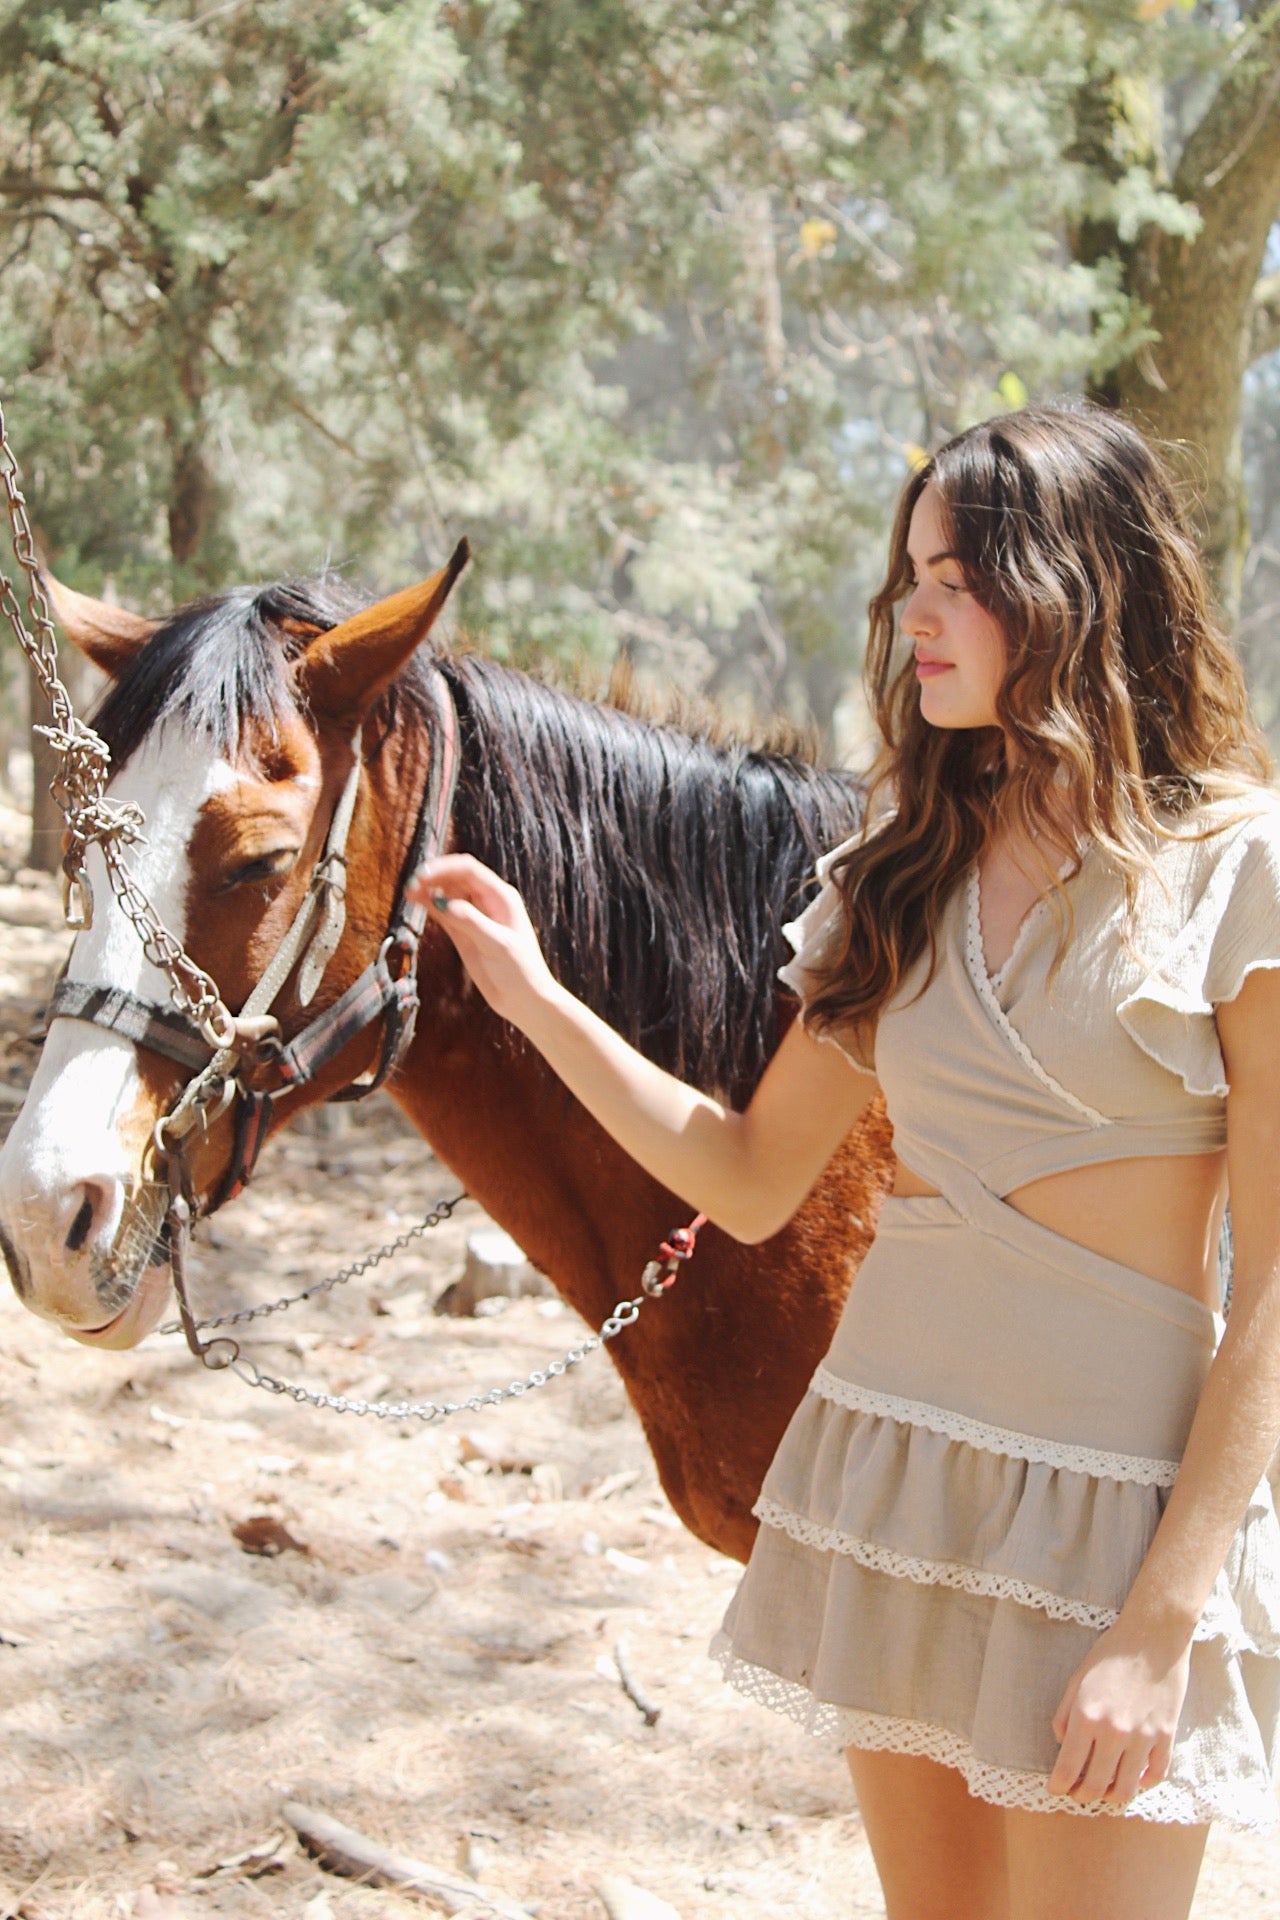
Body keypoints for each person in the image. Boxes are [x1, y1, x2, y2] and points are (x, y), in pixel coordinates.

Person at [407, 405, 1280, 1920]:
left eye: (959, 579)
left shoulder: (1238, 865)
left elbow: (1272, 1279)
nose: (913, 615)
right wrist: (536, 1000)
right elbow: (746, 1174)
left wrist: (1164, 1615)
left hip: (1117, 1513)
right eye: (911, 579)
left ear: (1074, 587)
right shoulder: (902, 866)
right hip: (901, 1469)